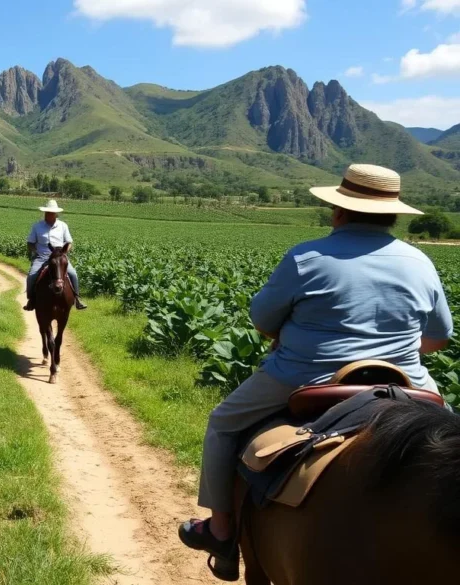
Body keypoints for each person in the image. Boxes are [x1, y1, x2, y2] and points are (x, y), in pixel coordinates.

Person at [178, 164, 453, 574]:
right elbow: (438, 338)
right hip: (405, 380)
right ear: (393, 215)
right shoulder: (420, 261)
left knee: (223, 423)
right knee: (449, 447)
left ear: (338, 211)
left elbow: (262, 321)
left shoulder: (307, 256)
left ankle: (219, 529)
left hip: (305, 376)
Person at [24, 200, 88, 311]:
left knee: (73, 274)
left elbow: (69, 242)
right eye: (47, 212)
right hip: (42, 256)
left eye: (51, 213)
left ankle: (77, 299)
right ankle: (31, 299)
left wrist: (63, 253)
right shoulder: (37, 226)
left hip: (59, 257)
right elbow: (30, 243)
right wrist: (36, 251)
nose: (48, 215)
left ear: (56, 214)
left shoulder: (63, 226)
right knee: (32, 275)